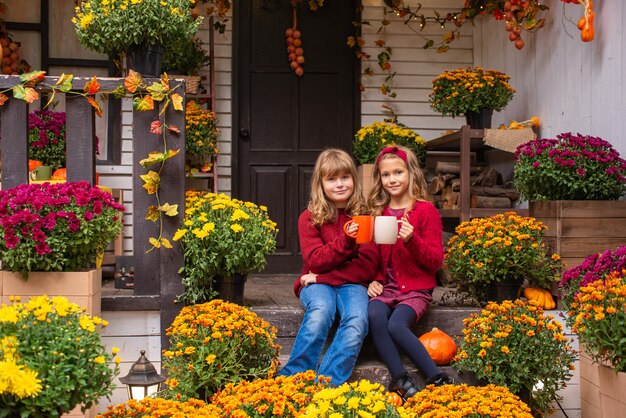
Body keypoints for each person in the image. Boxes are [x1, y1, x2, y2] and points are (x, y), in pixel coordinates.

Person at [277, 148, 380, 386]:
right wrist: (346, 241)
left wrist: (322, 278)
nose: (340, 184)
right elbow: (316, 261)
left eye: (345, 177)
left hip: (347, 283)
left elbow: (366, 266)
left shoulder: (364, 216)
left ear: (354, 179)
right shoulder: (310, 217)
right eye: (332, 179)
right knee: (321, 311)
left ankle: (327, 383)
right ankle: (295, 378)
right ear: (320, 184)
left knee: (357, 319)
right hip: (317, 285)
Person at [366, 145, 452, 400]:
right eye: (386, 175)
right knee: (374, 314)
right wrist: (373, 279)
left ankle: (436, 377)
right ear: (380, 179)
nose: (392, 179)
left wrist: (412, 239)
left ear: (411, 174)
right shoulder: (378, 212)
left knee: (395, 325)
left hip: (415, 290)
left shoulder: (425, 212)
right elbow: (373, 256)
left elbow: (435, 261)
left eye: (398, 172)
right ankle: (400, 379)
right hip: (387, 288)